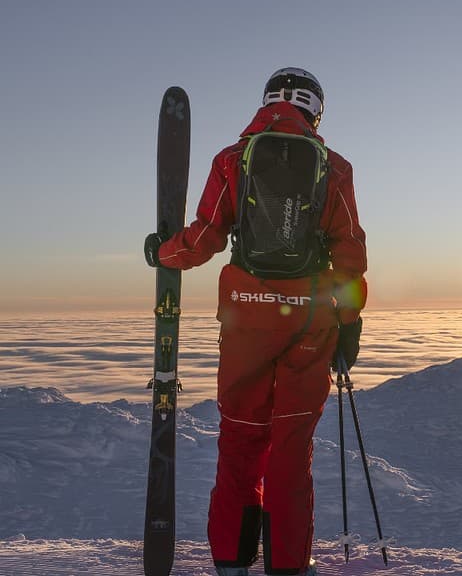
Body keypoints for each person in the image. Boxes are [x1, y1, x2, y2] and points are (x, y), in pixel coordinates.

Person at [144, 67, 367, 576]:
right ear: (316, 110)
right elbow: (349, 254)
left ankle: (231, 562)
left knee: (240, 444)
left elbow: (204, 240)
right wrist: (348, 322)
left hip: (245, 319)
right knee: (290, 453)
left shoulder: (231, 160)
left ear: (266, 102)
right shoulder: (334, 168)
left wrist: (164, 254)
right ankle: (289, 566)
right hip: (309, 324)